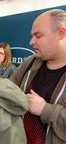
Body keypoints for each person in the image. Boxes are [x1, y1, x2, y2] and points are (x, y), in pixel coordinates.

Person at [9, 9, 66, 144]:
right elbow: (9, 89)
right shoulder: (30, 62)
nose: (31, 42)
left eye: (38, 36)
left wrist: (46, 110)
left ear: (61, 33)